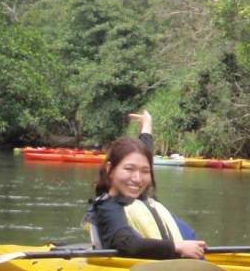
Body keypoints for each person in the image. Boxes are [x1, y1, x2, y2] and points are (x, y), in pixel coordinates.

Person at [83, 111, 208, 259]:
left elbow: (145, 152)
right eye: (129, 169)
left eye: (145, 171)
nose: (137, 178)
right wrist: (177, 246)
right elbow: (127, 243)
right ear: (110, 169)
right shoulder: (108, 207)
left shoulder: (141, 196)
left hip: (173, 267)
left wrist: (147, 125)